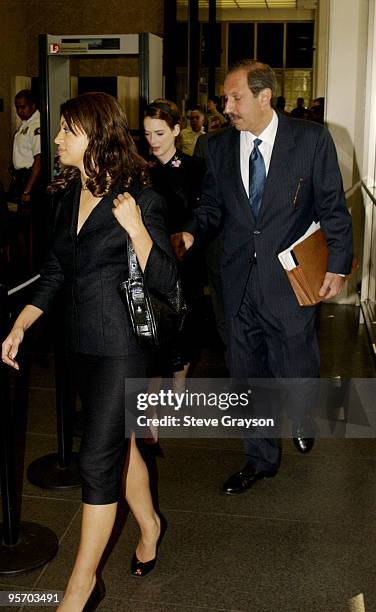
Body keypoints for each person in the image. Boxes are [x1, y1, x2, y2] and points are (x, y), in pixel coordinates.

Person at [1, 92, 177, 610]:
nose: (56, 139)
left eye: (66, 131)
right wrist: (20, 324)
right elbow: (55, 272)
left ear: (95, 137)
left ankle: (79, 589)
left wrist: (138, 231)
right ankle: (150, 524)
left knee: (97, 459)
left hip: (124, 347)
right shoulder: (65, 194)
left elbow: (167, 281)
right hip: (79, 346)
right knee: (117, 445)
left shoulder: (139, 199)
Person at [172, 60, 353, 494]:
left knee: (296, 362)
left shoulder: (310, 140)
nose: (226, 106)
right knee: (246, 372)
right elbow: (213, 206)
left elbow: (332, 208)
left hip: (289, 278)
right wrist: (192, 232)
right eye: (225, 98)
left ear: (263, 97)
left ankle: (303, 411)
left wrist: (338, 265)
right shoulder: (215, 147)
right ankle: (260, 457)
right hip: (234, 281)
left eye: (235, 97)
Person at [143, 98, 205, 389]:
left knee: (184, 321)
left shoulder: (195, 168)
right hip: (150, 257)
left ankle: (179, 384)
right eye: (147, 134)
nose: (153, 141)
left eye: (160, 133)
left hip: (184, 259)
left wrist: (189, 235)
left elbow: (205, 214)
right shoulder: (142, 172)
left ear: (176, 130)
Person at [9, 89, 41, 205]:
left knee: (26, 219)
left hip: (30, 179)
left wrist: (27, 191)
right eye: (17, 107)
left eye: (23, 107)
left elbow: (39, 160)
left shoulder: (36, 126)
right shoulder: (26, 124)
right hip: (20, 178)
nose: (19, 111)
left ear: (33, 106)